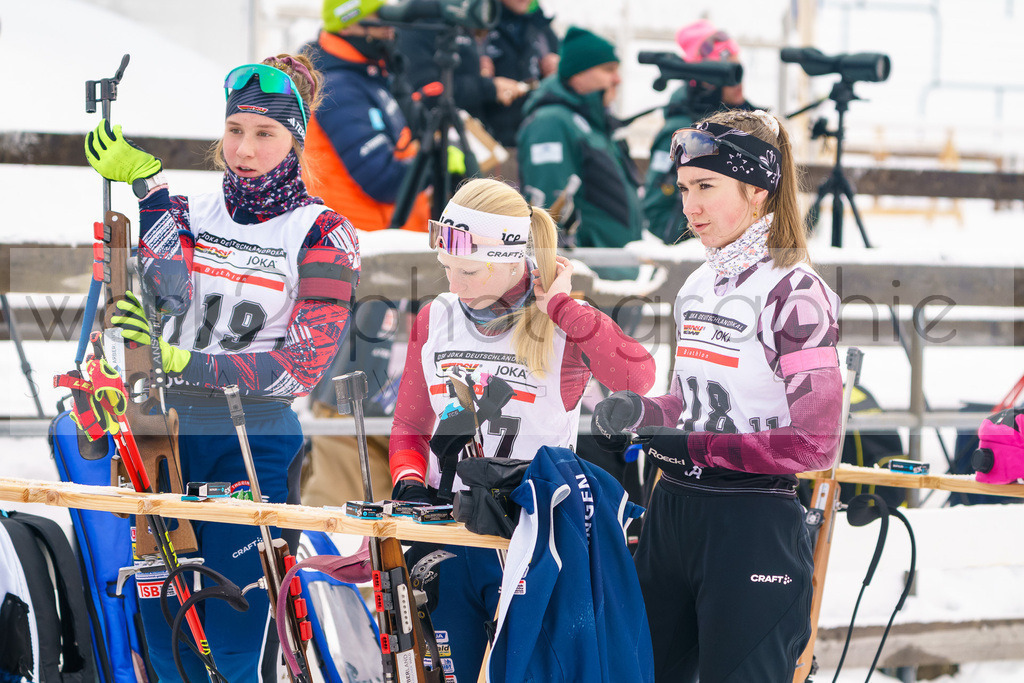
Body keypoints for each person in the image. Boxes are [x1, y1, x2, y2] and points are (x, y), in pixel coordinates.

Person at [84, 53, 359, 682]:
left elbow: (302, 369)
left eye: (265, 133)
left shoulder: (322, 232)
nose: (245, 148)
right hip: (163, 435)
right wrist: (147, 193)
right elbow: (166, 295)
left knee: (231, 636)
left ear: (296, 139)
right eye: (235, 129)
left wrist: (192, 360)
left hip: (251, 438)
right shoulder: (184, 213)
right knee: (161, 635)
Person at [590, 109, 843, 681]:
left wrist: (700, 449)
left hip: (750, 520)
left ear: (757, 191)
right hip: (673, 513)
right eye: (683, 189)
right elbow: (687, 405)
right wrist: (641, 411)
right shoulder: (698, 285)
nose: (690, 207)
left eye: (706, 187)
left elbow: (817, 443)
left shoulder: (795, 293)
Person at [388, 177, 656, 679]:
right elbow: (410, 424)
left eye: (467, 269)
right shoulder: (435, 317)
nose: (453, 282)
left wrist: (563, 308)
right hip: (451, 531)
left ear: (513, 258)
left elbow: (638, 377)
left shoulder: (560, 323)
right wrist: (408, 481)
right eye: (446, 267)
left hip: (531, 536)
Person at [300, 0, 431, 509]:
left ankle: (372, 511)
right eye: (381, 19)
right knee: (348, 393)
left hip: (385, 263)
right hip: (353, 261)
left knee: (379, 398)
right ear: (352, 21)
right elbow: (378, 174)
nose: (392, 30)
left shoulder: (368, 78)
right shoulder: (335, 85)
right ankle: (331, 524)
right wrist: (429, 155)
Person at [516, 25, 644, 281]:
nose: (617, 79)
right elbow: (547, 210)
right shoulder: (551, 123)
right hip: (586, 276)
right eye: (608, 70)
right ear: (577, 75)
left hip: (615, 269)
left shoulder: (592, 125)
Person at [643, 20, 761, 244]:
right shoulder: (681, 132)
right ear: (706, 80)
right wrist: (697, 241)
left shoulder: (749, 127)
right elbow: (655, 210)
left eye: (739, 70)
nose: (738, 81)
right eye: (728, 72)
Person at [478, 0, 560, 147]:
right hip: (488, 142)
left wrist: (559, 69)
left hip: (534, 138)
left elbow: (566, 84)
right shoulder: (476, 24)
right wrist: (478, 76)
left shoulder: (541, 27)